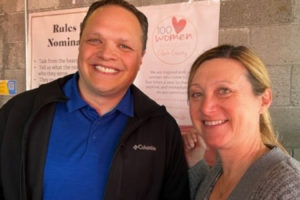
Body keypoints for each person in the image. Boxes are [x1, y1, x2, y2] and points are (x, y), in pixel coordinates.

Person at [0, 0, 190, 199]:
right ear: (80, 43)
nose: (107, 54)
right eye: (95, 40)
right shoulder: (19, 112)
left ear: (141, 57)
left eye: (124, 45)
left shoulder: (162, 129)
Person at [183, 44, 300, 200]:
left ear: (264, 100)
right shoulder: (220, 171)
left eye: (224, 91)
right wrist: (195, 163)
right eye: (197, 94)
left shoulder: (288, 189)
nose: (206, 108)